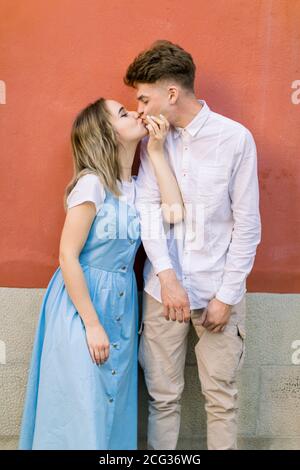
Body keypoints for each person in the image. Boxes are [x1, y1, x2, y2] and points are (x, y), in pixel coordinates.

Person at [18, 97, 184, 450]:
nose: (136, 112)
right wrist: (91, 323)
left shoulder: (138, 186)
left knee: (113, 406)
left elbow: (173, 213)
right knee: (81, 406)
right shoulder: (92, 184)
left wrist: (156, 152)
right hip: (82, 305)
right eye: (123, 113)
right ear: (106, 133)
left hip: (122, 306)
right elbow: (67, 255)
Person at [124, 40, 261, 450]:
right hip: (160, 291)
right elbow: (150, 212)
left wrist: (227, 294)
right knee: (162, 399)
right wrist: (166, 277)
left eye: (144, 98)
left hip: (218, 289)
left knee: (221, 401)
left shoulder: (235, 139)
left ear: (171, 94)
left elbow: (247, 225)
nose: (140, 109)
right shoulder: (154, 143)